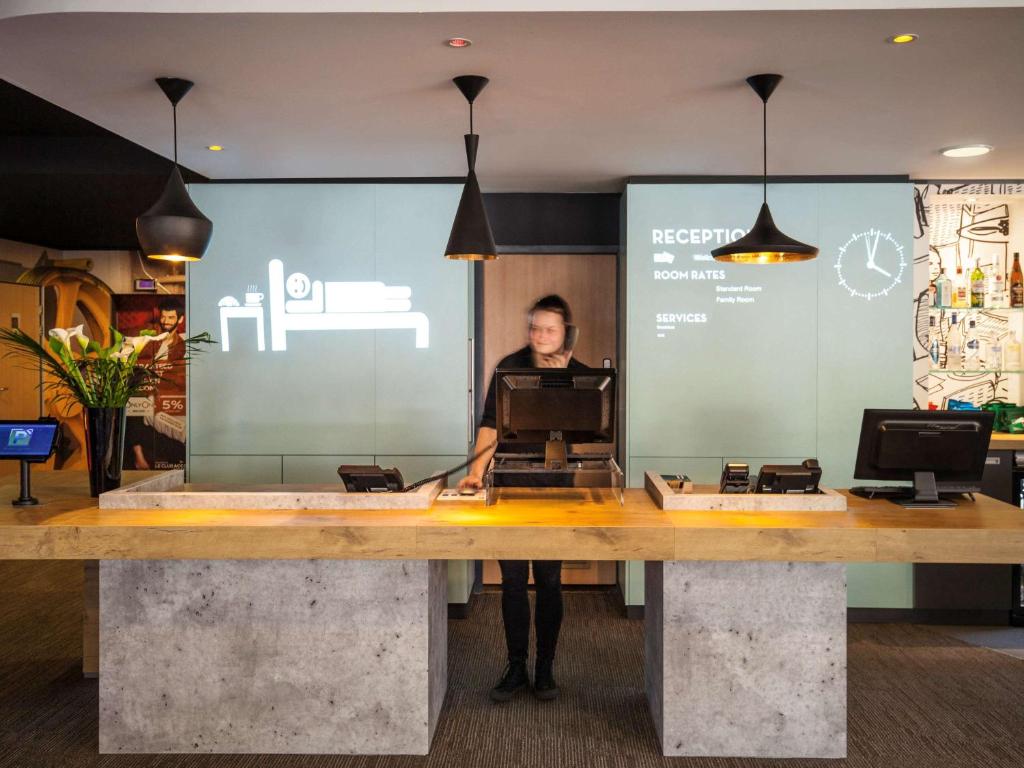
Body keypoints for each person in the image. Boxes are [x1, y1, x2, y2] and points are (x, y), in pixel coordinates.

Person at [459, 294, 588, 703]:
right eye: (535, 328)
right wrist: (475, 474)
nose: (540, 336)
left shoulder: (581, 375)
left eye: (550, 329)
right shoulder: (509, 368)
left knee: (549, 581)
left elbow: (589, 435)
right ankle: (515, 666)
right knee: (513, 582)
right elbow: (489, 426)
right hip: (511, 485)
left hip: (555, 489)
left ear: (565, 333)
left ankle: (545, 668)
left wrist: (566, 382)